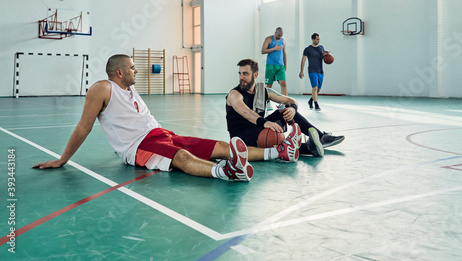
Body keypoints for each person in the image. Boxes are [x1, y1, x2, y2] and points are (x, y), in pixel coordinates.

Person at [33, 55, 300, 182]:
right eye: (132, 68)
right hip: (138, 147)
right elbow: (83, 126)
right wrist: (62, 160)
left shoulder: (128, 87)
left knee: (218, 146)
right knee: (182, 158)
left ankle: (279, 154)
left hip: (161, 133)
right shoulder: (102, 88)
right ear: (118, 73)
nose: (136, 70)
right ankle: (226, 173)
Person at [226, 59, 345, 157]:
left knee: (286, 110)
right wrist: (266, 123)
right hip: (241, 137)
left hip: (259, 127)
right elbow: (247, 113)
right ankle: (307, 147)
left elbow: (290, 100)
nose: (241, 77)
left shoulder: (263, 91)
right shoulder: (234, 94)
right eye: (240, 73)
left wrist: (292, 109)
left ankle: (321, 137)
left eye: (245, 73)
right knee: (271, 137)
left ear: (255, 75)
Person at [299, 33, 329, 111]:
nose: (318, 41)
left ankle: (311, 100)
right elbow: (303, 60)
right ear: (313, 39)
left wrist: (326, 55)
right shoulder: (307, 49)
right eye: (317, 39)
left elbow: (322, 57)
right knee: (314, 88)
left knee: (318, 89)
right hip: (312, 70)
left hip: (320, 71)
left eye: (319, 39)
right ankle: (316, 104)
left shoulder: (321, 48)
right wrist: (301, 71)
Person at [261, 27, 288, 99]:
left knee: (284, 84)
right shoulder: (268, 39)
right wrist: (274, 49)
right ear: (275, 33)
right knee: (269, 85)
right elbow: (263, 51)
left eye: (281, 35)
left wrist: (285, 64)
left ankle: (285, 102)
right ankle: (266, 101)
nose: (280, 37)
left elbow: (284, 53)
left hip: (280, 66)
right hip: (270, 65)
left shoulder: (283, 41)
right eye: (278, 35)